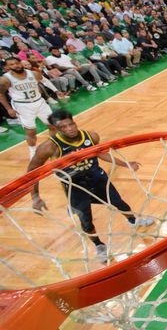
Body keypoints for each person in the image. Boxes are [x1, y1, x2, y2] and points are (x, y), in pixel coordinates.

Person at [27, 110, 155, 263]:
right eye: (64, 127)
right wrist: (35, 196)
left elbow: (100, 153)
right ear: (56, 129)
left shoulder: (91, 136)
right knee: (86, 221)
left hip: (97, 177)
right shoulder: (48, 147)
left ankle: (133, 221)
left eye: (71, 124)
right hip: (75, 186)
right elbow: (32, 171)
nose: (70, 129)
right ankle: (99, 245)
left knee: (118, 202)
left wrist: (125, 164)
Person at [0, 57, 56, 158]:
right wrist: (9, 109)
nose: (16, 65)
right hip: (23, 106)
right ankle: (33, 152)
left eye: (17, 63)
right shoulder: (5, 79)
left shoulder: (33, 73)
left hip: (40, 102)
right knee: (31, 131)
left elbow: (45, 81)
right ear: (7, 67)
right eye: (12, 64)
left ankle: (56, 145)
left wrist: (56, 91)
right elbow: (0, 94)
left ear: (20, 63)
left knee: (52, 125)